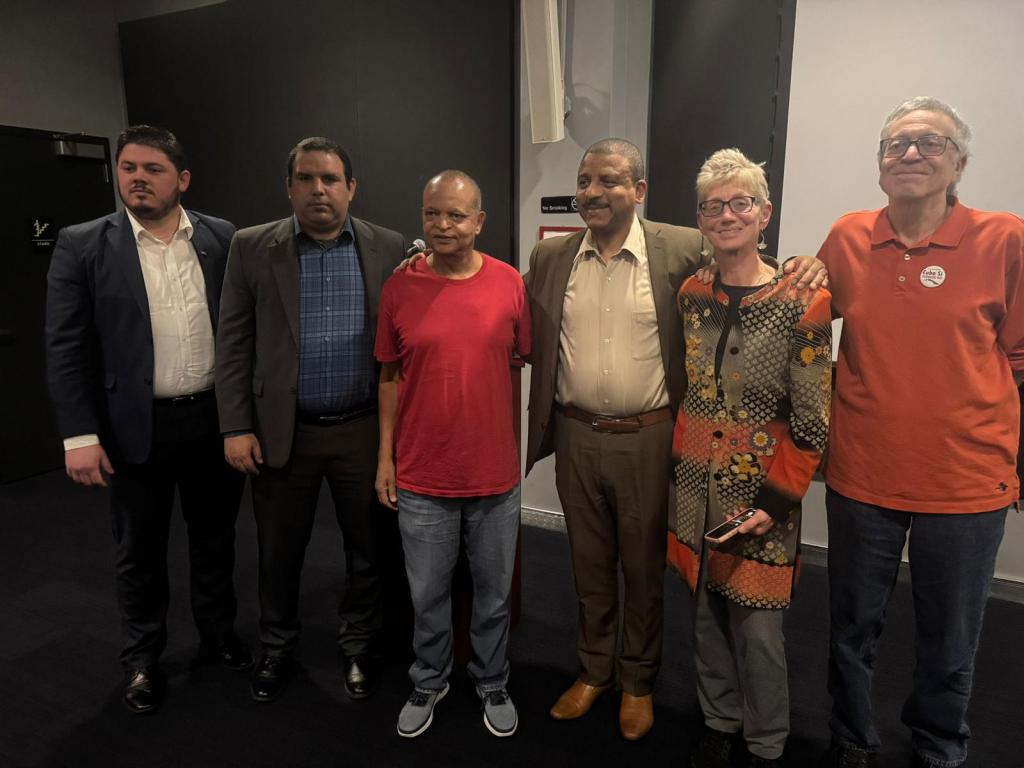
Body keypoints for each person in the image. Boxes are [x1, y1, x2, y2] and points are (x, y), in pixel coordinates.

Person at [523, 138, 826, 740]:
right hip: (576, 434)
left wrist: (806, 264)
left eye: (609, 180)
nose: (593, 192)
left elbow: (747, 258)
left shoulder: (682, 249)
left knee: (643, 569)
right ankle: (594, 670)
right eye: (584, 181)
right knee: (587, 564)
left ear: (639, 190)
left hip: (650, 437)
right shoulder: (552, 257)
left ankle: (638, 681)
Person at [818, 97, 1024, 768]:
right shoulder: (848, 236)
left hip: (965, 481)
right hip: (862, 473)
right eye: (895, 144)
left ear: (958, 164)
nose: (910, 153)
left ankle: (938, 745)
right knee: (851, 626)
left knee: (950, 637)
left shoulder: (1005, 239)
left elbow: (1021, 359)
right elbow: (804, 319)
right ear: (880, 165)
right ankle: (851, 737)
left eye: (930, 143)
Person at [45, 124, 250, 715]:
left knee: (215, 541)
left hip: (211, 420)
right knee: (139, 551)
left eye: (153, 169)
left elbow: (240, 329)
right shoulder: (83, 244)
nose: (138, 178)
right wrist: (79, 435)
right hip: (134, 428)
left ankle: (218, 635)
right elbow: (65, 346)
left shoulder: (221, 237)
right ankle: (141, 658)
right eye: (129, 167)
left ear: (181, 179)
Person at [215, 136, 406, 703]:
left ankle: (358, 645)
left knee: (367, 549)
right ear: (289, 187)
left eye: (330, 179)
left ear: (351, 187)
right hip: (282, 432)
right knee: (278, 551)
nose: (318, 189)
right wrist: (235, 426)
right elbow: (233, 342)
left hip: (361, 430)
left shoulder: (388, 246)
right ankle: (277, 647)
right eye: (305, 178)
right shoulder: (252, 247)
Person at [667, 149, 831, 768]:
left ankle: (766, 742)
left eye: (741, 203)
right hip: (692, 482)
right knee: (704, 613)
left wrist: (776, 500)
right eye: (713, 206)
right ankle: (718, 719)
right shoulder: (692, 293)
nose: (726, 215)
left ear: (765, 213)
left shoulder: (802, 298)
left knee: (759, 626)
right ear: (701, 219)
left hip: (761, 492)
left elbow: (813, 422)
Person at [375, 170, 530, 739]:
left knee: (493, 596)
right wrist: (385, 459)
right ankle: (429, 678)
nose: (443, 225)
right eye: (432, 213)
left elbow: (518, 363)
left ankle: (492, 678)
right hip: (422, 475)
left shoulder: (509, 283)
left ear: (479, 222)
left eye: (456, 215)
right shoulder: (399, 288)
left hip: (494, 475)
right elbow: (389, 377)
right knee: (427, 595)